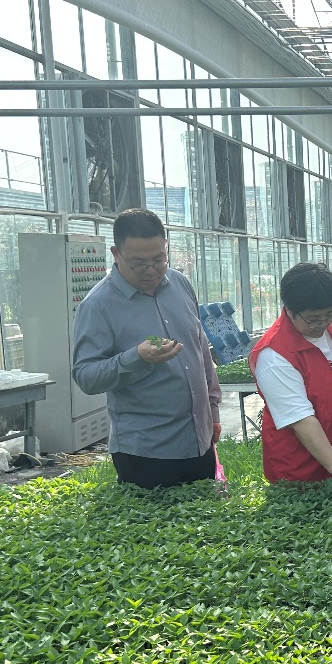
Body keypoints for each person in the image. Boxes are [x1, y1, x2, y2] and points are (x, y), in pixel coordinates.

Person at [72, 207, 221, 489]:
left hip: (199, 440)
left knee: (205, 515)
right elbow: (86, 376)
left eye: (159, 259)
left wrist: (212, 411)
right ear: (116, 254)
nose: (151, 270)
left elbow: (199, 347)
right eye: (139, 263)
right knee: (155, 518)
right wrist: (137, 357)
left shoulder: (180, 284)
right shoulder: (97, 306)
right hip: (146, 452)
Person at [249, 262, 332, 482]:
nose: (322, 324)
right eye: (313, 319)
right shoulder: (274, 355)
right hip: (305, 470)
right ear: (289, 310)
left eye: (329, 314)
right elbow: (300, 418)